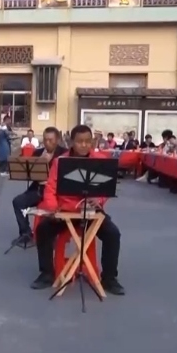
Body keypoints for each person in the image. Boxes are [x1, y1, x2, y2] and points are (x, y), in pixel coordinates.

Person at [30, 124, 124, 295]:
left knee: (113, 234)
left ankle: (109, 278)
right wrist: (53, 209)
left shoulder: (101, 160)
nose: (84, 145)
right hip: (65, 210)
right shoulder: (60, 161)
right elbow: (50, 189)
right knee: (43, 229)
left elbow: (107, 188)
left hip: (91, 212)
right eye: (80, 141)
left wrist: (99, 200)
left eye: (88, 141)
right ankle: (46, 274)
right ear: (71, 142)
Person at [11, 126, 67, 248]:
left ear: (57, 140)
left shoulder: (64, 153)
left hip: (56, 192)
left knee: (51, 207)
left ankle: (52, 236)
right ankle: (26, 233)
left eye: (51, 140)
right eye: (45, 139)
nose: (47, 142)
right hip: (38, 189)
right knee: (17, 202)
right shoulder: (38, 153)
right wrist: (39, 162)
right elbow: (29, 173)